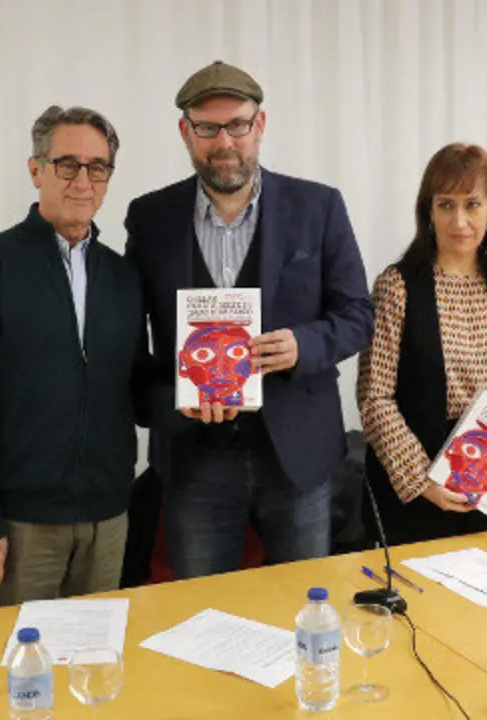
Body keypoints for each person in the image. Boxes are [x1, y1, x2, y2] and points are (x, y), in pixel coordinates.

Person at [125, 61, 373, 579]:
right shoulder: (149, 219)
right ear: (185, 133)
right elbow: (131, 348)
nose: (225, 142)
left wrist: (303, 345)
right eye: (208, 128)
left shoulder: (318, 206)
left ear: (259, 126)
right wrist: (174, 401)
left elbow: (357, 315)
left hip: (297, 457)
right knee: (199, 614)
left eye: (237, 125)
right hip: (196, 463)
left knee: (306, 604)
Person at [0, 106, 147, 609]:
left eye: (97, 167)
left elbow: (136, 386)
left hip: (107, 519)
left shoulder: (124, 278)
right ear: (36, 170)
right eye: (67, 164)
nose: (83, 180)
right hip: (18, 528)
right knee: (13, 677)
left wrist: (207, 391)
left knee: (94, 672)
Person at [358, 144, 487, 543]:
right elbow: (375, 398)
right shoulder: (398, 287)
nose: (459, 220)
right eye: (446, 205)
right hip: (418, 494)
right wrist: (423, 480)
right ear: (428, 212)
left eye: (473, 204)